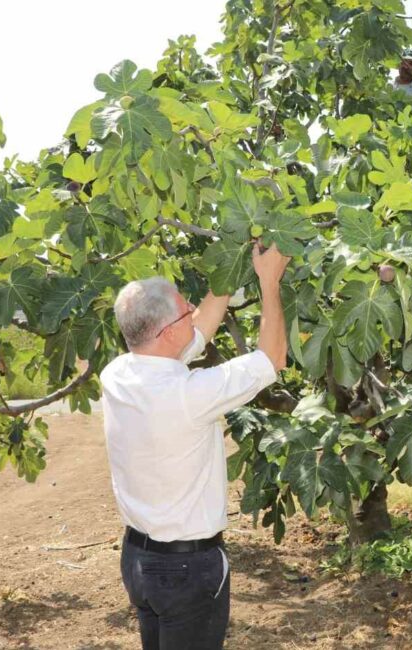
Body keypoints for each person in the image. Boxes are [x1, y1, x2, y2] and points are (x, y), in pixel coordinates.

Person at [101, 242, 290, 650]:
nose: (194, 315)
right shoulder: (189, 394)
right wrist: (269, 281)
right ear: (168, 332)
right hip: (186, 570)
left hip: (138, 561)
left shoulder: (117, 373)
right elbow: (272, 357)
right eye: (185, 311)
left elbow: (198, 328)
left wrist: (233, 264)